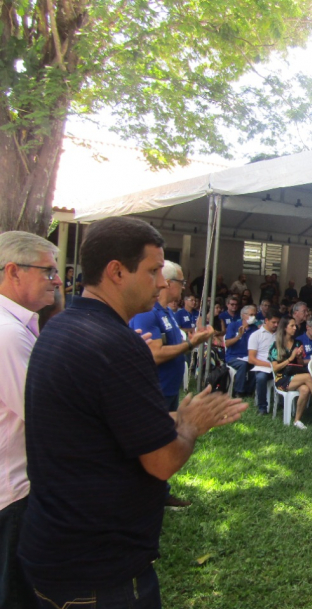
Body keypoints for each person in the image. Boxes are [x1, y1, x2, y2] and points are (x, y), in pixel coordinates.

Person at [19, 216, 246, 607]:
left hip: (55, 549)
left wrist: (175, 417)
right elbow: (162, 461)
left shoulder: (59, 326)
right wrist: (190, 425)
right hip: (99, 569)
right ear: (117, 271)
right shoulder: (118, 345)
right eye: (153, 270)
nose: (161, 283)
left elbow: (101, 425)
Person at [0, 231, 61, 609]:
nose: (58, 280)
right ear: (13, 272)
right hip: (13, 493)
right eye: (48, 271)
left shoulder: (15, 327)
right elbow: (45, 413)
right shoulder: (8, 334)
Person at [130, 261, 215, 413]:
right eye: (182, 282)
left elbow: (175, 347)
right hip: (154, 391)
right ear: (168, 283)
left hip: (170, 389)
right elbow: (154, 355)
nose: (183, 287)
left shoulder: (168, 312)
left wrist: (193, 340)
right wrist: (190, 343)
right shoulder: (147, 312)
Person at [270, 316, 312, 430]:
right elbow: (275, 368)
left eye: (295, 326)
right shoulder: (276, 345)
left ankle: (297, 420)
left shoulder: (298, 343)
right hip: (281, 378)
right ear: (284, 328)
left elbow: (301, 364)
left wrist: (299, 357)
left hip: (295, 376)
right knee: (308, 377)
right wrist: (290, 358)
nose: (295, 328)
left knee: (305, 389)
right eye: (292, 326)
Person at [247, 309, 281, 415]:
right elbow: (251, 359)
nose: (276, 325)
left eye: (278, 322)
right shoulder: (256, 335)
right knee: (261, 378)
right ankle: (262, 407)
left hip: (279, 366)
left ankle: (283, 404)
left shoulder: (280, 335)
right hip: (263, 367)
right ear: (266, 320)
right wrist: (270, 365)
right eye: (274, 322)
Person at [224, 305, 259, 396]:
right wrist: (239, 336)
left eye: (254, 315)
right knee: (242, 365)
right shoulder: (233, 325)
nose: (253, 317)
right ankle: (238, 391)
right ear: (243, 315)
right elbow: (227, 343)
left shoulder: (254, 328)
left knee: (255, 365)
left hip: (248, 356)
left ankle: (249, 391)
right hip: (233, 356)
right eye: (251, 315)